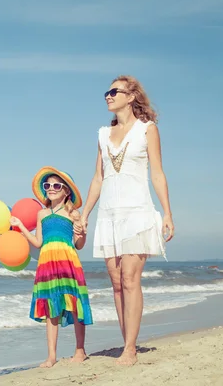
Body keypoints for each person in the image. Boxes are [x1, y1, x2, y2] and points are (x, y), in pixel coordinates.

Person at [80, 75, 174, 366]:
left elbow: (157, 173)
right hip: (109, 215)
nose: (107, 96)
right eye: (106, 92)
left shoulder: (148, 130)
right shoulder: (101, 134)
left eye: (113, 91)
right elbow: (98, 178)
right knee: (117, 282)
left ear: (131, 96)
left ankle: (130, 349)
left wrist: (167, 212)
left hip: (137, 212)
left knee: (131, 279)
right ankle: (126, 343)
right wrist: (84, 215)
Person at [10, 166, 93, 368]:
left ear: (66, 191)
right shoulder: (41, 214)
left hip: (67, 260)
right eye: (48, 185)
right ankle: (51, 356)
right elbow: (38, 243)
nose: (51, 188)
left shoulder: (73, 213)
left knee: (74, 304)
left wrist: (82, 233)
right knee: (50, 308)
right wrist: (21, 227)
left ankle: (80, 350)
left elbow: (79, 245)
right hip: (47, 262)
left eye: (57, 185)